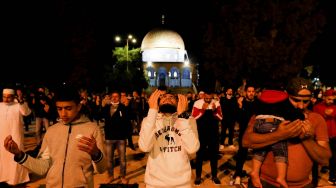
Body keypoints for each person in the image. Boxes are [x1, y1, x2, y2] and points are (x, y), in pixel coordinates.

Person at [3, 85, 107, 188]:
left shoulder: (92, 129)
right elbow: (42, 168)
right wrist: (19, 154)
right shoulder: (52, 131)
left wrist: (96, 154)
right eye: (59, 109)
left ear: (79, 107)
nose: (63, 113)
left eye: (68, 108)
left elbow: (101, 169)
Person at [243, 77, 332, 188]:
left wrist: (306, 139)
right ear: (286, 95)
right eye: (295, 100)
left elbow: (325, 159)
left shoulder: (316, 119)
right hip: (264, 182)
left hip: (302, 185)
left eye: (306, 101)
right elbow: (246, 141)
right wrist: (279, 134)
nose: (301, 106)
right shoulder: (268, 112)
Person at [138, 89, 200, 188]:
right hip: (155, 183)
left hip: (182, 183)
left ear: (178, 102)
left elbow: (192, 149)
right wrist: (152, 111)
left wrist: (182, 117)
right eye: (163, 97)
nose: (167, 98)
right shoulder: (148, 120)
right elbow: (145, 147)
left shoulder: (188, 120)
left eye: (171, 97)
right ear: (157, 102)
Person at [249, 89, 292, 188]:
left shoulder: (263, 96)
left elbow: (254, 108)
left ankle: (255, 171)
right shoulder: (283, 98)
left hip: (259, 123)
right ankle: (281, 177)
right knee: (280, 148)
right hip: (274, 122)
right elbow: (290, 111)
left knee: (260, 147)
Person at [0, 88, 31, 186]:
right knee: (3, 156)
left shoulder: (19, 105)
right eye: (4, 97)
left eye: (9, 97)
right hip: (1, 134)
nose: (6, 99)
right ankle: (4, 176)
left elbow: (26, 112)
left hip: (15, 134)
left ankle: (16, 178)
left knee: (16, 154)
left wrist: (21, 100)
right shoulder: (0, 106)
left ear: (13, 97)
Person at [192, 89, 223, 185]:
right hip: (201, 133)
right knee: (200, 155)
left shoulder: (216, 103)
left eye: (210, 98)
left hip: (213, 133)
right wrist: (202, 110)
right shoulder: (197, 103)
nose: (208, 100)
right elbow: (193, 117)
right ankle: (198, 177)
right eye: (206, 98)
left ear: (213, 96)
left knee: (214, 155)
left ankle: (214, 176)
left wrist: (214, 111)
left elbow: (221, 117)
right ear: (203, 96)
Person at [101, 91, 132, 184]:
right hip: (109, 137)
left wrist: (127, 106)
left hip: (121, 137)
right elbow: (98, 115)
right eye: (113, 96)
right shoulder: (106, 107)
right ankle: (110, 176)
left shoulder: (123, 107)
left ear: (119, 98)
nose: (114, 98)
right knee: (109, 159)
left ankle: (123, 176)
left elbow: (129, 118)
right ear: (110, 98)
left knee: (122, 159)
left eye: (116, 96)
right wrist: (101, 105)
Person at [313, 89, 336, 185]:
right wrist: (325, 114)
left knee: (334, 156)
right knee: (317, 156)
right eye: (329, 99)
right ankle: (315, 179)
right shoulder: (317, 107)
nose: (331, 101)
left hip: (334, 135)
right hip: (321, 135)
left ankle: (332, 177)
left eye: (333, 99)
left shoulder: (335, 106)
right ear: (324, 97)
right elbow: (315, 118)